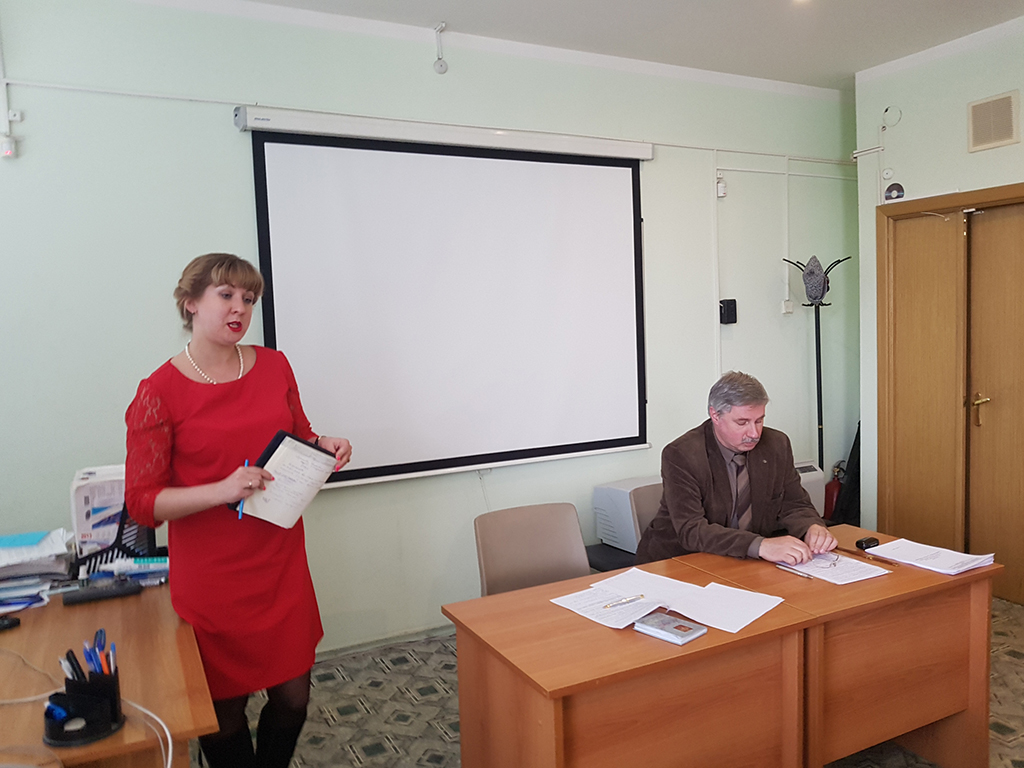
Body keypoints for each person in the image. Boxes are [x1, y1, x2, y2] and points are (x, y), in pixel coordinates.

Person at [125, 253, 352, 768]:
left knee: (293, 697)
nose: (240, 308)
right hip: (213, 579)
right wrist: (221, 489)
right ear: (190, 303)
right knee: (224, 713)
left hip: (279, 562)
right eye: (226, 295)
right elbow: (142, 502)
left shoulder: (274, 365)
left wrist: (324, 445)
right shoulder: (158, 392)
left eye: (248, 299)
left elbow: (297, 435)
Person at [635, 371, 835, 565]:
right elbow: (692, 529)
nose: (754, 433)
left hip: (746, 561)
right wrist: (760, 545)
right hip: (681, 559)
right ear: (715, 415)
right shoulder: (682, 454)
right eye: (742, 422)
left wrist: (812, 527)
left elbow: (794, 504)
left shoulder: (776, 444)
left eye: (759, 420)